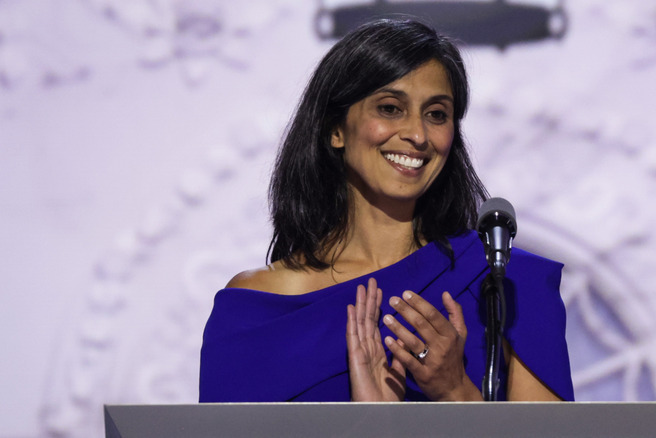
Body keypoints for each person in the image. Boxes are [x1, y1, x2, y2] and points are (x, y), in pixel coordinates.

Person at [199, 18, 574, 402]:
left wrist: (455, 392)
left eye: (437, 114)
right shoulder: (255, 309)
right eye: (391, 108)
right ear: (336, 129)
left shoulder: (508, 284)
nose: (417, 134)